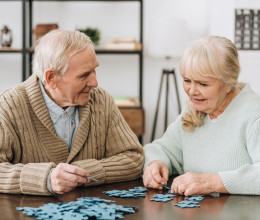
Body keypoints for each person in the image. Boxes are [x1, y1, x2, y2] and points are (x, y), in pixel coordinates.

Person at [0, 29, 144, 195]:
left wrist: (80, 172)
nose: (95, 82)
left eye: (94, 70)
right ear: (51, 78)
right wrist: (46, 178)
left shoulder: (102, 100)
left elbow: (134, 158)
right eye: (84, 75)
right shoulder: (8, 105)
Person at [143, 35, 260, 196]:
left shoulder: (254, 114)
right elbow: (162, 149)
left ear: (228, 83)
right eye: (187, 80)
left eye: (202, 84)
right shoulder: (196, 109)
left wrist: (212, 182)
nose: (191, 91)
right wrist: (155, 164)